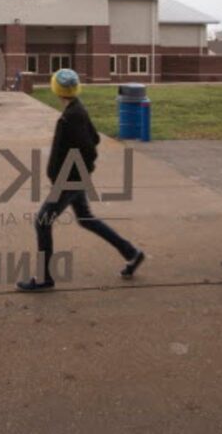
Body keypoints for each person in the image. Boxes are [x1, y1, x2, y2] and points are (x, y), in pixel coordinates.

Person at [17, 69, 145, 291]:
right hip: (75, 177)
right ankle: (131, 253)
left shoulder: (70, 117)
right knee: (85, 218)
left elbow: (88, 147)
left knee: (42, 222)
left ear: (56, 88)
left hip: (70, 179)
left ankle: (45, 278)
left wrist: (71, 171)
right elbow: (94, 138)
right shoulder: (78, 109)